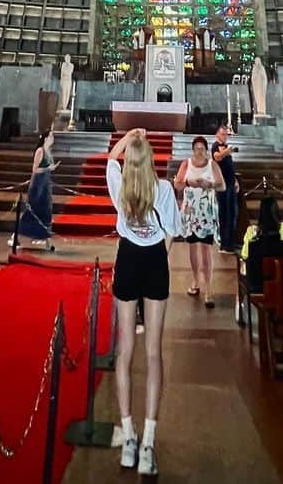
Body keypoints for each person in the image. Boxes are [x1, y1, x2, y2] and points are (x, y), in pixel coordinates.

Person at [107, 127, 181, 477]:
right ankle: (149, 439)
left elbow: (111, 159)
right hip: (153, 262)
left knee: (125, 351)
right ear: (151, 161)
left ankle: (129, 436)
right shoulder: (163, 189)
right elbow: (171, 232)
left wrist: (128, 137)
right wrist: (159, 258)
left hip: (128, 260)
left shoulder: (119, 185)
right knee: (153, 352)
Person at [174, 135, 225, 306]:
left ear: (206, 150)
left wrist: (209, 184)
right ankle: (196, 281)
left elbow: (222, 185)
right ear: (193, 150)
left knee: (206, 249)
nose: (199, 151)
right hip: (191, 212)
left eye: (202, 148)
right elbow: (178, 184)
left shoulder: (212, 164)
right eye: (196, 148)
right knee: (193, 248)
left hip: (206, 213)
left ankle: (208, 288)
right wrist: (190, 182)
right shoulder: (186, 164)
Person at [20, 129, 58, 247]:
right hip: (38, 184)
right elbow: (35, 169)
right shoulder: (40, 151)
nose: (53, 139)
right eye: (51, 137)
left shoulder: (49, 151)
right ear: (46, 138)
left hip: (46, 184)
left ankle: (45, 239)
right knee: (33, 210)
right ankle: (17, 235)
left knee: (45, 210)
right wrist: (48, 168)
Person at [239, 194, 283, 264]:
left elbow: (245, 255)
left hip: (258, 273)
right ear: (277, 211)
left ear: (261, 212)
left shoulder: (251, 231)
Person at [211, 125, 239, 252]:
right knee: (225, 213)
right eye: (222, 134)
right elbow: (217, 157)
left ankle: (231, 242)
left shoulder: (226, 148)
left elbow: (229, 166)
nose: (224, 137)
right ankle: (224, 243)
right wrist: (228, 151)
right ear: (217, 135)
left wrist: (236, 181)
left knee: (232, 213)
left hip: (231, 183)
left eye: (226, 134)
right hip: (222, 186)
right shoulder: (215, 146)